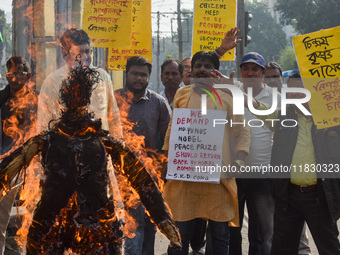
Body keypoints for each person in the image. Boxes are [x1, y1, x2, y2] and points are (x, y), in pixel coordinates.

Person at [164, 50, 250, 255]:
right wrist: (166, 159)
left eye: (208, 66)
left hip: (217, 180)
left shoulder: (227, 98)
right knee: (179, 237)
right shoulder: (182, 94)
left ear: (215, 72)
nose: (202, 69)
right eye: (198, 65)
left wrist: (239, 161)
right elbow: (172, 129)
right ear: (191, 70)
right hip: (185, 181)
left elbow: (242, 130)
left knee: (220, 236)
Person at [247, 72, 340, 255]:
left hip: (320, 197)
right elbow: (259, 107)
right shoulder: (283, 118)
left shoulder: (330, 121)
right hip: (289, 198)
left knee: (330, 248)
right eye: (291, 92)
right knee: (282, 248)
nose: (294, 97)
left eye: (300, 92)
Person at [114, 56, 171, 255]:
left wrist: (163, 175)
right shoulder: (112, 100)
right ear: (126, 74)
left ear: (149, 77)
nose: (139, 78)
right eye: (135, 74)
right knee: (123, 226)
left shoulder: (159, 104)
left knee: (148, 226)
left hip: (150, 177)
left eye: (143, 75)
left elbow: (168, 142)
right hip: (118, 175)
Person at [229, 52, 278, 255]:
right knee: (232, 228)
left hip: (262, 173)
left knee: (262, 231)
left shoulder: (275, 98)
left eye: (255, 69)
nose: (250, 73)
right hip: (234, 172)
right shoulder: (232, 92)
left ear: (263, 73)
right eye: (246, 69)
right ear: (241, 72)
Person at [37, 28, 122, 138]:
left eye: (87, 52)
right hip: (66, 149)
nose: (85, 58)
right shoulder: (52, 82)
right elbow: (43, 124)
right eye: (79, 54)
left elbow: (113, 118)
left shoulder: (102, 77)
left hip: (99, 149)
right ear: (65, 53)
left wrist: (118, 145)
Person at [0, 56, 37, 254]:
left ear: (27, 75)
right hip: (7, 166)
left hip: (34, 166)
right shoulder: (1, 100)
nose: (14, 78)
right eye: (10, 74)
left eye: (18, 74)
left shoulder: (37, 99)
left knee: (34, 217)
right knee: (1, 218)